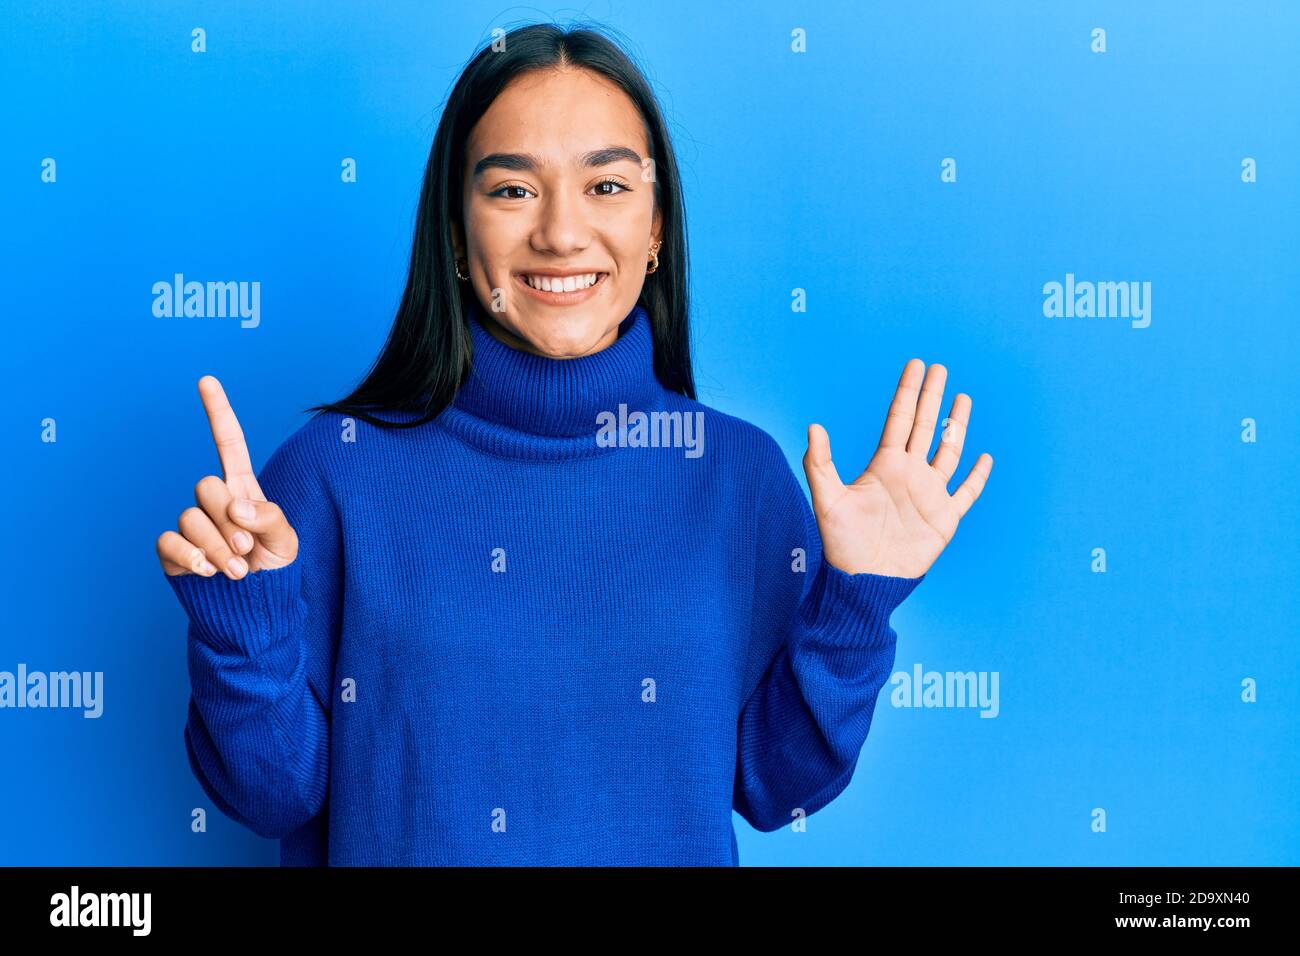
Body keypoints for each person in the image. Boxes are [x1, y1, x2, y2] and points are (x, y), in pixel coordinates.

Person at [156, 22, 992, 866]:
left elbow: (777, 789)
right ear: (454, 232)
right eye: (513, 190)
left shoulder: (737, 479)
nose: (561, 233)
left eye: (607, 187)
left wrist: (856, 603)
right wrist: (243, 629)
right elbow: (267, 796)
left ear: (658, 228)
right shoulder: (332, 473)